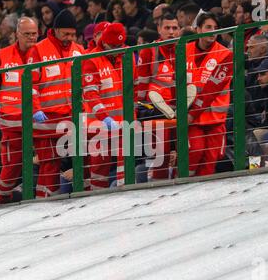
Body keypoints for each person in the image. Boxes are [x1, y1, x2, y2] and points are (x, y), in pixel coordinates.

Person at [29, 9, 85, 197]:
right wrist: (35, 109)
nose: (69, 38)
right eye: (65, 34)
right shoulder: (39, 49)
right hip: (46, 118)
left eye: (72, 34)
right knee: (49, 163)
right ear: (55, 30)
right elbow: (31, 84)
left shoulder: (79, 50)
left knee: (81, 156)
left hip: (72, 117)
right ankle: (43, 201)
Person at [0, 17, 39, 204]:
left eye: (34, 34)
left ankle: (43, 195)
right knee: (12, 162)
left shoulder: (42, 52)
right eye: (27, 34)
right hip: (11, 119)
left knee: (47, 156)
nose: (32, 38)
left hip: (38, 117)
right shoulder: (3, 54)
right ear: (17, 34)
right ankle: (2, 196)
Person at [81, 23, 132, 189]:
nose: (118, 49)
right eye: (114, 46)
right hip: (100, 126)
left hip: (124, 123)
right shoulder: (90, 60)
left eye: (120, 45)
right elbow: (90, 94)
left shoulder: (127, 54)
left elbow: (134, 86)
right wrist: (105, 117)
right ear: (104, 42)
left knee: (126, 172)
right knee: (98, 174)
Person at [186, 12, 233, 176]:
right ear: (198, 30)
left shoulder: (225, 55)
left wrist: (192, 113)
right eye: (208, 27)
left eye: (215, 28)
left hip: (214, 119)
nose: (212, 31)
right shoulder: (183, 51)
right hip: (192, 120)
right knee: (194, 153)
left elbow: (213, 90)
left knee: (210, 162)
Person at [137, 12, 180, 181]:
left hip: (179, 109)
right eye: (167, 28)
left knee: (181, 156)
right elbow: (141, 86)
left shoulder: (183, 49)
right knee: (158, 160)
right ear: (159, 29)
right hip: (155, 113)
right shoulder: (149, 51)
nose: (171, 32)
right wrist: (139, 109)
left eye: (174, 28)